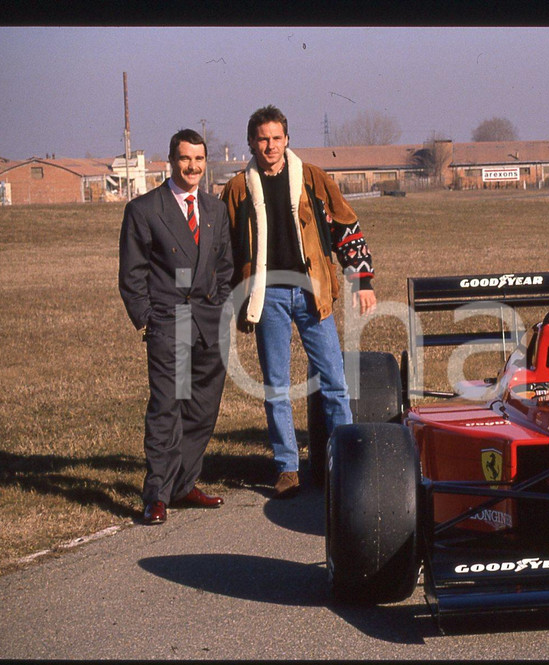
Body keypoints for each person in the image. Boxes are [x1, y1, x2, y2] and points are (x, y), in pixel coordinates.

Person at [221, 105, 376, 499]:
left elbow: (346, 226)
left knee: (334, 381)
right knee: (276, 384)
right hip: (266, 295)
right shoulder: (238, 188)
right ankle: (287, 468)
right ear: (252, 142)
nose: (270, 146)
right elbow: (224, 248)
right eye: (262, 139)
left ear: (286, 139)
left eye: (276, 138)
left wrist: (361, 279)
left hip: (313, 292)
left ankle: (345, 464)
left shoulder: (312, 178)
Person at [119, 129, 234, 524]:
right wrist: (148, 319)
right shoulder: (145, 210)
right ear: (171, 160)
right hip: (172, 321)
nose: (193, 167)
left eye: (199, 159)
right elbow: (131, 275)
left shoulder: (215, 209)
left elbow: (224, 267)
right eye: (185, 159)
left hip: (208, 322)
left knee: (202, 409)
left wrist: (219, 307)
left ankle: (184, 484)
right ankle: (157, 494)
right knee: (168, 408)